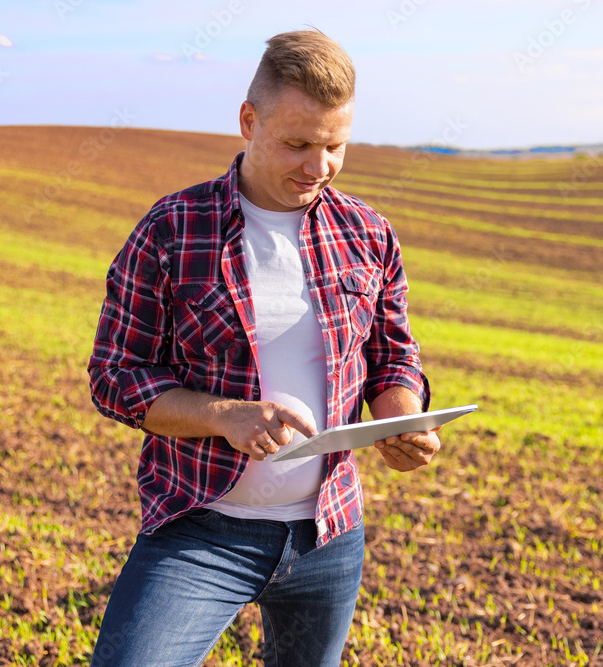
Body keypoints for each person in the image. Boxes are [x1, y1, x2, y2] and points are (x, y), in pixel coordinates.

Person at [86, 29, 441, 667]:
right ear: (249, 120)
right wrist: (227, 416)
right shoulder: (172, 228)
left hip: (329, 537)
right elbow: (115, 374)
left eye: (335, 145)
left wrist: (400, 413)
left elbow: (394, 356)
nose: (319, 167)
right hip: (198, 529)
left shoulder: (369, 233)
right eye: (298, 143)